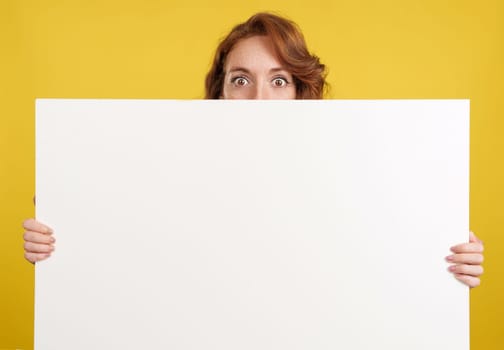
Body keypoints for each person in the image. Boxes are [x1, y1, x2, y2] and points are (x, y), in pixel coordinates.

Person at [22, 12, 484, 288]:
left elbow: (386, 258)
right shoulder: (169, 177)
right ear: (220, 92)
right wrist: (64, 234)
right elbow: (127, 248)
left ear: (301, 94)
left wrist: (446, 260)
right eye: (240, 79)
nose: (259, 98)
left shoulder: (353, 183)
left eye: (278, 80)